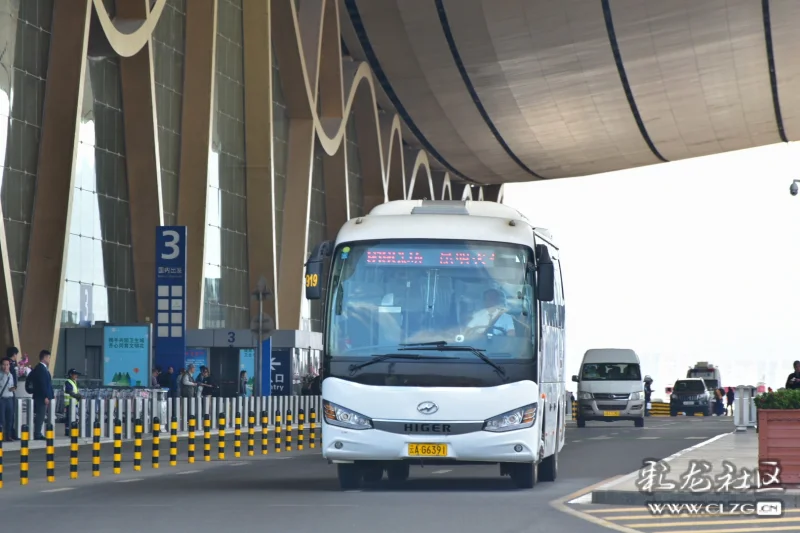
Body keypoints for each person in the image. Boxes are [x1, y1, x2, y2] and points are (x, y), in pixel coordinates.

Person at [27, 350, 54, 440]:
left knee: (41, 415)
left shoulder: (42, 368)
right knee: (40, 415)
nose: (50, 359)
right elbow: (42, 384)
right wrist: (45, 396)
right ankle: (37, 434)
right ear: (45, 357)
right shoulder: (41, 369)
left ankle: (38, 433)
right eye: (49, 357)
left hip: (41, 396)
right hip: (41, 397)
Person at [63, 368, 83, 435]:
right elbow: (69, 391)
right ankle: (68, 431)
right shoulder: (68, 382)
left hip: (75, 403)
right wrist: (76, 396)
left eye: (77, 375)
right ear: (71, 375)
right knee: (69, 418)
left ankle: (73, 430)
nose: (76, 376)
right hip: (69, 403)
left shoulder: (74, 382)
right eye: (75, 375)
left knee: (75, 418)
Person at [0, 358, 15, 441]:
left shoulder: (11, 375)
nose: (6, 366)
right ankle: (1, 436)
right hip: (2, 399)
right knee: (2, 419)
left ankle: (8, 436)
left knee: (10, 418)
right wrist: (5, 375)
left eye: (7, 365)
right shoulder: (1, 375)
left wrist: (13, 388)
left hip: (10, 398)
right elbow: (1, 384)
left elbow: (10, 385)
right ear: (1, 365)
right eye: (4, 364)